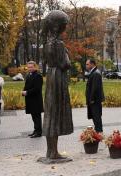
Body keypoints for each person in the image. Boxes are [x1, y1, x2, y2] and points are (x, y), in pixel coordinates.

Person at [41, 10, 74, 161]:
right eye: (64, 25)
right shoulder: (59, 44)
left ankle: (50, 152)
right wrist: (67, 53)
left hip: (50, 77)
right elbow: (66, 64)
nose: (65, 28)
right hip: (58, 79)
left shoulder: (47, 43)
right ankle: (53, 153)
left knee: (51, 113)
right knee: (56, 114)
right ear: (58, 26)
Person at [22, 61, 43, 138]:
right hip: (30, 100)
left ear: (35, 67)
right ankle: (36, 130)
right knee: (33, 116)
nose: (30, 69)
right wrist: (23, 91)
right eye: (28, 67)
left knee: (37, 117)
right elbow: (27, 86)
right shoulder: (29, 75)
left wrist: (27, 92)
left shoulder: (38, 76)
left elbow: (37, 89)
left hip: (36, 100)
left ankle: (39, 132)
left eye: (31, 67)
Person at [85, 58, 105, 133]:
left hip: (95, 100)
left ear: (92, 64)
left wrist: (92, 99)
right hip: (93, 100)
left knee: (96, 116)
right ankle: (98, 131)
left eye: (87, 64)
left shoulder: (96, 73)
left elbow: (95, 88)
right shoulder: (93, 72)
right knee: (94, 116)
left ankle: (99, 132)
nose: (86, 66)